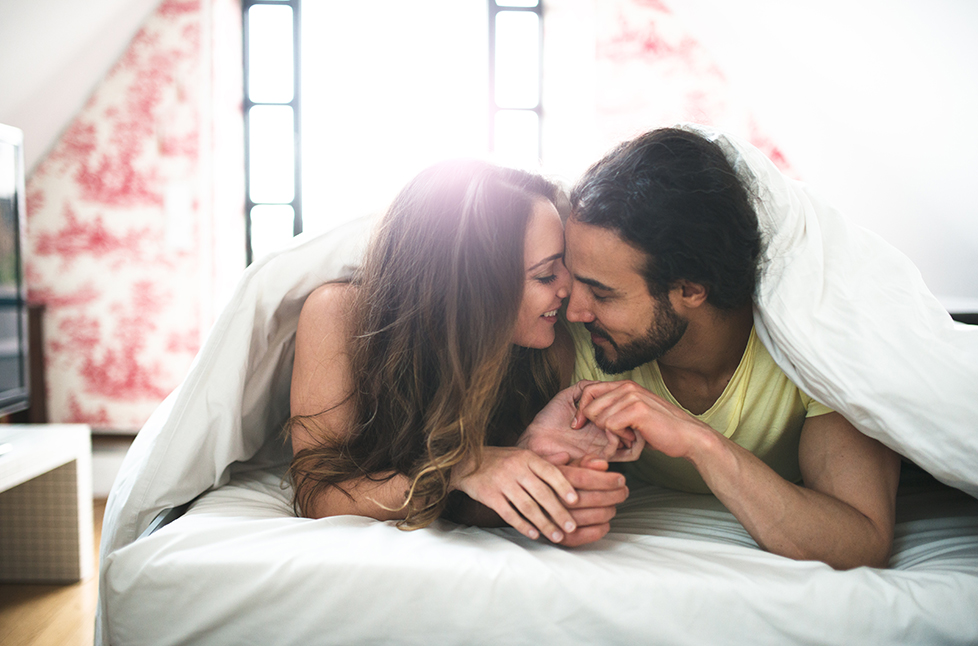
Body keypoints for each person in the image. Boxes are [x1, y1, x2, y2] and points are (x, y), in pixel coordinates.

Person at [521, 127, 901, 569]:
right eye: (573, 280)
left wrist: (699, 442)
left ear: (691, 289)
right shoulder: (570, 340)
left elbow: (861, 543)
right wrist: (531, 451)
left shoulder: (810, 347)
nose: (574, 311)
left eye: (602, 294)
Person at [285, 159, 629, 547]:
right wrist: (458, 469)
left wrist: (534, 462)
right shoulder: (338, 315)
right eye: (546, 274)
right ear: (472, 288)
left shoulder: (548, 347)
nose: (569, 290)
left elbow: (471, 501)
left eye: (563, 264)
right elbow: (319, 497)